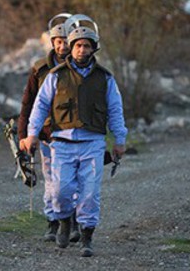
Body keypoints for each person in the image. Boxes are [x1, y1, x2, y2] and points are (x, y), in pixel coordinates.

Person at [23, 20, 127, 257]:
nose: (82, 50)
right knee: (60, 190)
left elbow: (115, 110)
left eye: (87, 46)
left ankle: (87, 237)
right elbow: (39, 106)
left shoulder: (105, 78)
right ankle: (64, 222)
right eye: (78, 46)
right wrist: (31, 134)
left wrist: (119, 140)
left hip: (93, 143)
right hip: (62, 142)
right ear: (71, 47)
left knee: (89, 192)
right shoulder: (55, 76)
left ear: (94, 49)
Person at [17, 13, 81, 243]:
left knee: (72, 180)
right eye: (59, 42)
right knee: (52, 180)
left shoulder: (80, 68)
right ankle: (53, 222)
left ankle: (73, 221)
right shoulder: (39, 69)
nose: (63, 46)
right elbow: (28, 103)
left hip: (73, 134)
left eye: (67, 41)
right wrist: (23, 135)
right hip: (46, 135)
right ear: (53, 43)